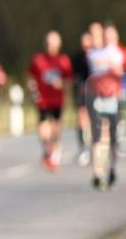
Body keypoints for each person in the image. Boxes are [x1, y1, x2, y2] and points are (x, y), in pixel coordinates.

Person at [85, 23, 125, 190]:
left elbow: (123, 73)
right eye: (105, 36)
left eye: (111, 36)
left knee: (113, 140)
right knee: (99, 137)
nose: (108, 39)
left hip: (114, 99)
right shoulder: (93, 53)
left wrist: (114, 70)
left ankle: (112, 168)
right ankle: (98, 173)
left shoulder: (119, 53)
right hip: (97, 99)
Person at [28, 31, 72, 171]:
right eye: (48, 43)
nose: (50, 46)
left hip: (57, 100)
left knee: (56, 130)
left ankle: (55, 156)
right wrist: (33, 90)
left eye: (53, 44)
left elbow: (70, 81)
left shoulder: (64, 61)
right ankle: (48, 151)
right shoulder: (38, 60)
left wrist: (62, 84)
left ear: (59, 45)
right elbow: (30, 77)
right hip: (43, 100)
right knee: (43, 131)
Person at [70, 30, 94, 165]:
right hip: (81, 92)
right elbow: (72, 75)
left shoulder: (96, 56)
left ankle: (95, 147)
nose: (85, 45)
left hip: (96, 92)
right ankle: (83, 147)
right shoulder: (76, 58)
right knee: (81, 118)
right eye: (83, 42)